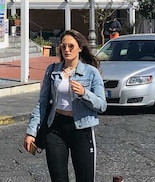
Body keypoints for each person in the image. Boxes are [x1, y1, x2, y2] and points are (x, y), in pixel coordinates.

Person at [24, 29, 107, 182]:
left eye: (71, 46)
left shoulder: (91, 72)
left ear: (80, 48)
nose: (67, 50)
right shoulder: (52, 70)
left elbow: (102, 105)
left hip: (81, 129)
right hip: (55, 128)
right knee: (58, 178)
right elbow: (42, 103)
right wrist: (31, 132)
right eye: (63, 46)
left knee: (85, 178)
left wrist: (84, 93)